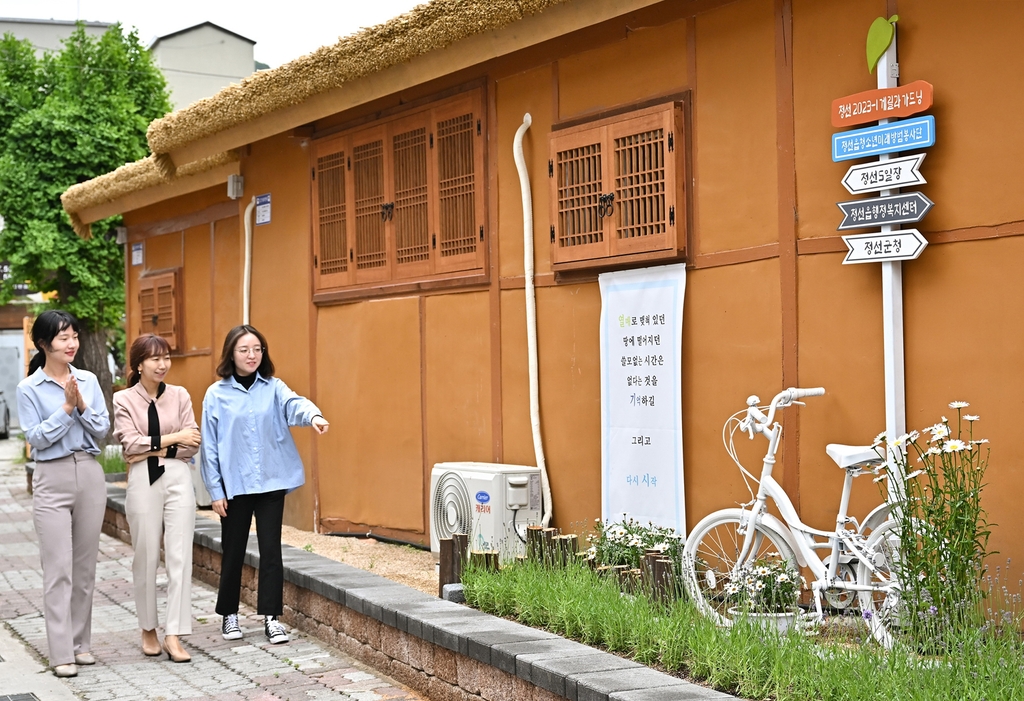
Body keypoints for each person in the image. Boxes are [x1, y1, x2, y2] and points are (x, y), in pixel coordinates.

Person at [200, 325, 328, 644]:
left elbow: (293, 404)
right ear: (231, 353)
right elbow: (210, 446)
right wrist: (215, 491)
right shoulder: (216, 394)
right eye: (244, 350)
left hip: (271, 482)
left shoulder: (273, 387)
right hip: (235, 487)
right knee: (233, 551)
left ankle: (272, 617)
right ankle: (229, 615)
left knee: (271, 552)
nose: (252, 355)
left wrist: (313, 417)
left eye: (257, 349)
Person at [17, 311, 109, 678]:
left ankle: (80, 644)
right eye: (63, 338)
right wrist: (67, 408)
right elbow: (36, 437)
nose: (71, 343)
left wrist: (82, 404)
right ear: (43, 344)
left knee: (85, 568)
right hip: (51, 477)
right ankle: (60, 654)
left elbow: (102, 429)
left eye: (74, 336)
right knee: (58, 569)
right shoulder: (29, 389)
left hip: (89, 472)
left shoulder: (88, 379)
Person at [113, 334, 201, 663]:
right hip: (143, 480)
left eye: (166, 357)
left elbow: (193, 443)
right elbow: (130, 444)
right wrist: (174, 437)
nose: (162, 364)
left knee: (180, 556)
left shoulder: (179, 395)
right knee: (146, 554)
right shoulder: (124, 400)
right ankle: (148, 628)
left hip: (178, 474)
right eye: (154, 359)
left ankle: (174, 633)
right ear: (138, 365)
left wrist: (161, 446)